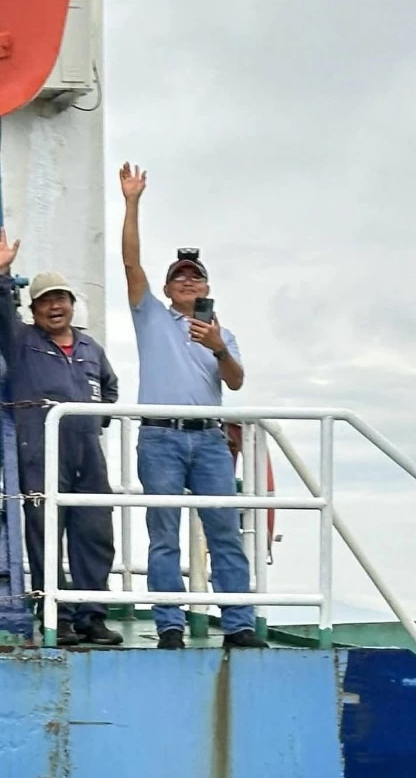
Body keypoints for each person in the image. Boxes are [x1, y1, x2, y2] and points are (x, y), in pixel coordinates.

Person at [118, 162, 268, 649]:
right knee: (164, 534)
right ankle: (169, 625)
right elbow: (130, 263)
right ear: (166, 289)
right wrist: (133, 202)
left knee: (223, 530)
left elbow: (237, 382)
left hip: (208, 438)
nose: (187, 282)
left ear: (206, 288)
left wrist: (218, 346)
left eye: (195, 278)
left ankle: (239, 623)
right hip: (160, 435)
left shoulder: (223, 334)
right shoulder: (151, 318)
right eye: (179, 278)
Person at [0, 227, 123, 646]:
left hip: (88, 455)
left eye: (61, 299)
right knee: (45, 534)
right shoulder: (22, 341)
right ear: (35, 309)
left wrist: (97, 422)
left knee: (95, 531)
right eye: (45, 301)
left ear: (72, 305)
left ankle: (91, 617)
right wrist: (1, 273)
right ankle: (54, 618)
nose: (55, 307)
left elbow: (110, 389)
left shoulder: (90, 348)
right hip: (41, 453)